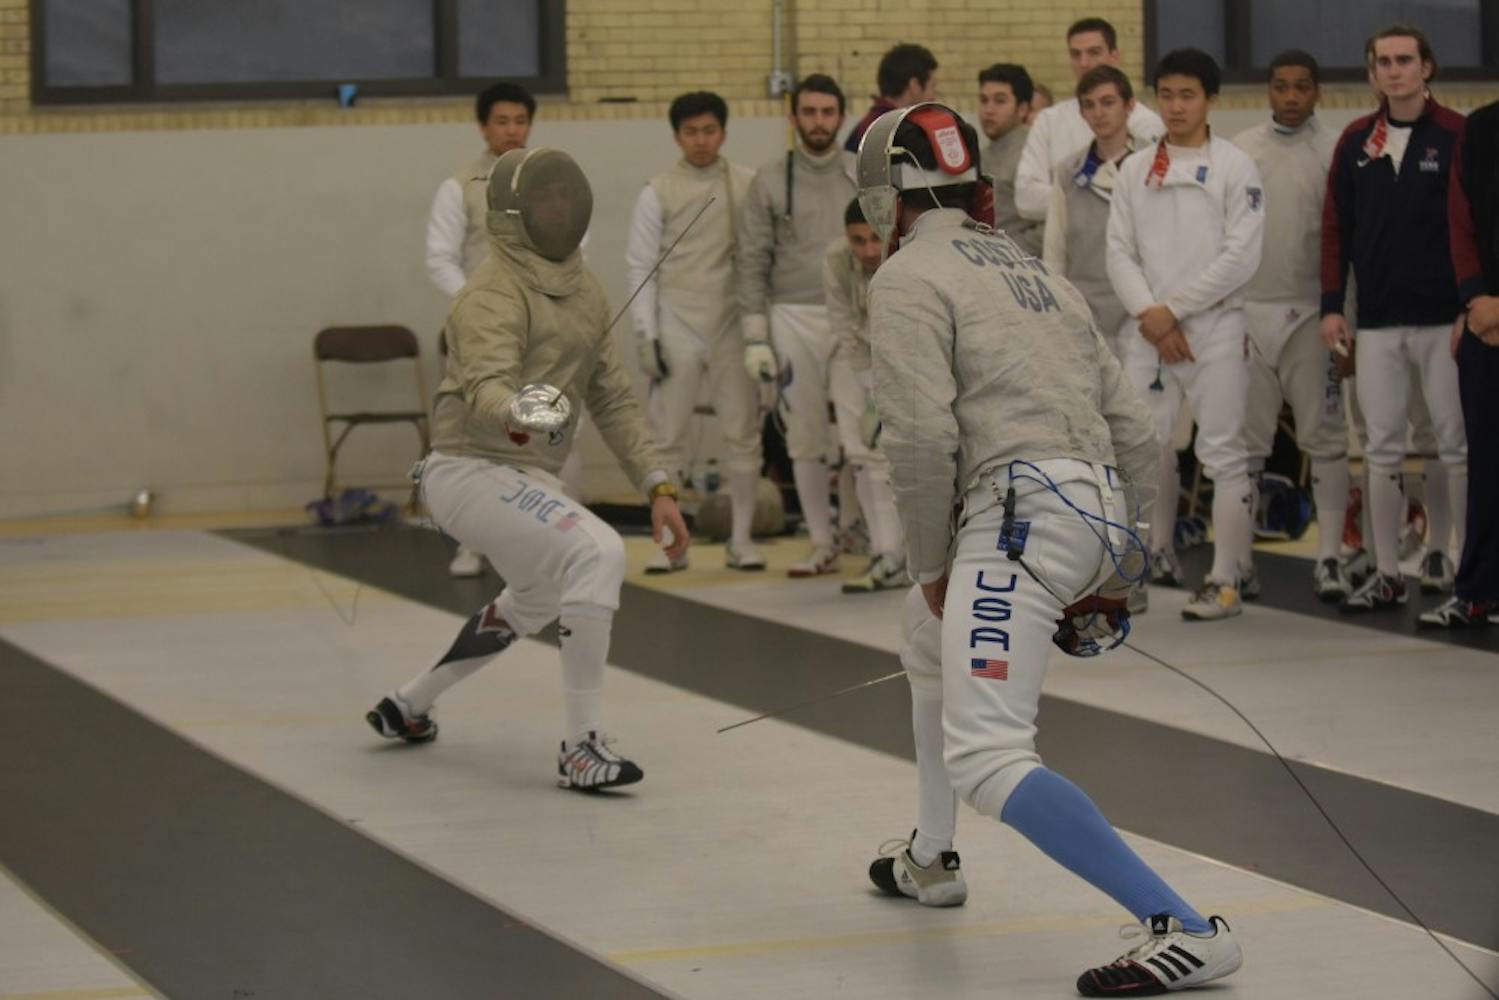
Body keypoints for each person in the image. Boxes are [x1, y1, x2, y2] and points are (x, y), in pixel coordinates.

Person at [857, 101, 1241, 995]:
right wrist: (1116, 573)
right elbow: (1134, 434)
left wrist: (933, 566)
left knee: (988, 756)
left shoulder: (907, 278)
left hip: (1018, 519)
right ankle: (931, 856)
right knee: (922, 636)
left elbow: (919, 441)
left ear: (888, 194)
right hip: (1089, 509)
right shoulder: (1038, 276)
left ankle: (1186, 928)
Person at [368, 148, 689, 792]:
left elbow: (613, 399)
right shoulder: (488, 294)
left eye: (565, 197)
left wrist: (657, 485)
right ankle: (581, 748)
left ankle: (409, 704)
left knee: (537, 598)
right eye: (545, 199)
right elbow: (487, 385)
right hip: (467, 468)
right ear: (513, 215)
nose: (558, 208)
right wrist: (518, 409)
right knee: (597, 552)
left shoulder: (584, 288)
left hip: (526, 476)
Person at [1106, 48, 1264, 621]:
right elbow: (1118, 252)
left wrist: (1174, 310)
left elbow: (1241, 256)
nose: (1176, 107)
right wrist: (1153, 315)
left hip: (1216, 328)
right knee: (1135, 452)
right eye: (1167, 95)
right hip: (1148, 332)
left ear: (1211, 100)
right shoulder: (1133, 169)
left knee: (1222, 453)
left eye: (1188, 96)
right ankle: (1131, 572)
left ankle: (1225, 580)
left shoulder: (1235, 166)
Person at [1320, 24, 1468, 612]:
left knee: (1453, 445)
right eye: (1383, 62)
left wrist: (1475, 303)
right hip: (1377, 321)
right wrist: (1332, 307)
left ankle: (1453, 561)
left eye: (1405, 60)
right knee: (1380, 448)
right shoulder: (1356, 140)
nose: (1395, 70)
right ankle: (1386, 572)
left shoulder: (1458, 134)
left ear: (1426, 67)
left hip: (1445, 320)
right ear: (1372, 73)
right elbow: (1336, 229)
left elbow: (1477, 224)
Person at [1232, 51, 1353, 601]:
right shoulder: (1242, 151)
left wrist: (1345, 317)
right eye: (1281, 86)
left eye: (1302, 86)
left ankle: (1329, 559)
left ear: (1317, 91)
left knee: (1326, 438)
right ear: (1269, 90)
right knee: (1246, 445)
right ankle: (1239, 561)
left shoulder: (1336, 151)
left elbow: (1348, 240)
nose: (1290, 96)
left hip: (1313, 314)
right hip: (1250, 312)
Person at [626, 91, 763, 573]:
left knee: (743, 435)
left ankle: (742, 539)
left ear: (723, 133)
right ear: (676, 136)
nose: (701, 141)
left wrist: (758, 331)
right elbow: (641, 265)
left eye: (709, 131)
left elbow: (759, 259)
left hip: (731, 324)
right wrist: (646, 334)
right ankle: (671, 544)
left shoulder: (747, 184)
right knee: (667, 438)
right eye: (691, 132)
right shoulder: (656, 190)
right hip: (677, 323)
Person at [739, 74, 858, 577]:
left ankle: (857, 529)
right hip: (791, 316)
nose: (819, 122)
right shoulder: (768, 180)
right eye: (809, 112)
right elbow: (751, 261)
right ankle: (821, 541)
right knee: (804, 435)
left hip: (854, 316)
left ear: (841, 116)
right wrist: (755, 337)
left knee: (860, 434)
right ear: (793, 118)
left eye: (827, 112)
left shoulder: (862, 173)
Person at [425, 82, 537, 578]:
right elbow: (440, 258)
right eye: (502, 121)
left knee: (545, 432)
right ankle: (469, 545)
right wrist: (477, 306)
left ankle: (544, 543)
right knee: (472, 438)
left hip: (537, 326)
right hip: (478, 333)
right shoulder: (459, 186)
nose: (512, 130)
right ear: (483, 127)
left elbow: (574, 248)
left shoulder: (551, 179)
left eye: (520, 121)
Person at [1425, 96, 1499, 627]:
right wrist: (1475, 299)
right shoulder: (1481, 129)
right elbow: (1460, 222)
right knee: (1487, 464)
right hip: (1484, 323)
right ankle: (1479, 590)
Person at [824, 198, 906, 592]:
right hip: (858, 356)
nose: (869, 249)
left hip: (904, 358)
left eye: (876, 238)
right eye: (858, 241)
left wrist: (887, 388)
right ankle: (883, 551)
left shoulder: (906, 252)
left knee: (893, 458)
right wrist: (869, 385)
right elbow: (842, 321)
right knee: (860, 454)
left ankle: (906, 556)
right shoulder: (836, 259)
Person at [1042, 65, 1147, 363]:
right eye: (1089, 105)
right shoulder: (1067, 172)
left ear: (1129, 106)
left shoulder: (1152, 167)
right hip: (1084, 315)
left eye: (1107, 102)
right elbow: (1055, 251)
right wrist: (1057, 311)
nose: (1099, 113)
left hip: (1142, 317)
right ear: (1082, 113)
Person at [1015, 17, 1163, 225]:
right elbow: (1026, 199)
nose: (1084, 63)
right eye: (1076, 54)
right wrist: (1090, 200)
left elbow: (1153, 196)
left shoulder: (1147, 123)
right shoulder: (1049, 121)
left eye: (1094, 52)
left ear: (1114, 57)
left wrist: (1070, 194)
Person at [977, 63, 1044, 257]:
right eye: (984, 100)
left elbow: (1052, 222)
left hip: (1017, 264)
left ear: (1022, 109)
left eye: (1000, 101)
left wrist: (1007, 253)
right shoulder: (980, 155)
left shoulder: (1034, 153)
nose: (988, 110)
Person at [844, 43, 939, 153]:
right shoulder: (900, 132)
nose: (934, 97)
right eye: (932, 86)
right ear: (914, 86)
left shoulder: (870, 126)